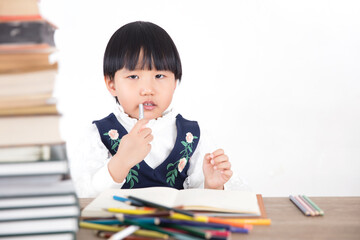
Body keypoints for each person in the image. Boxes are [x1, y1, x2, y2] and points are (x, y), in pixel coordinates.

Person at [70, 21, 248, 197]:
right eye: (133, 76)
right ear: (111, 84)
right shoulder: (99, 135)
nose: (148, 89)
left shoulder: (193, 135)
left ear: (175, 82)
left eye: (159, 75)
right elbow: (82, 196)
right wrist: (120, 163)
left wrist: (213, 186)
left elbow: (205, 203)